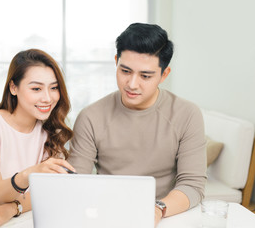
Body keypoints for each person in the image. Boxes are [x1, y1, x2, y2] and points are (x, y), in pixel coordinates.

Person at [67, 23, 207, 226]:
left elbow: (193, 185)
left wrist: (157, 210)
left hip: (166, 215)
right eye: (125, 71)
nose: (132, 84)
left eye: (145, 76)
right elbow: (76, 183)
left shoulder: (187, 114)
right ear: (116, 62)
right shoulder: (90, 117)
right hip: (107, 215)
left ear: (164, 74)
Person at [0, 49, 75, 228]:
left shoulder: (51, 131)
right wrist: (29, 174)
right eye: (36, 88)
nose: (47, 98)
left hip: (24, 221)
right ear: (13, 88)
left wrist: (11, 209)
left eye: (54, 88)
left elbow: (50, 192)